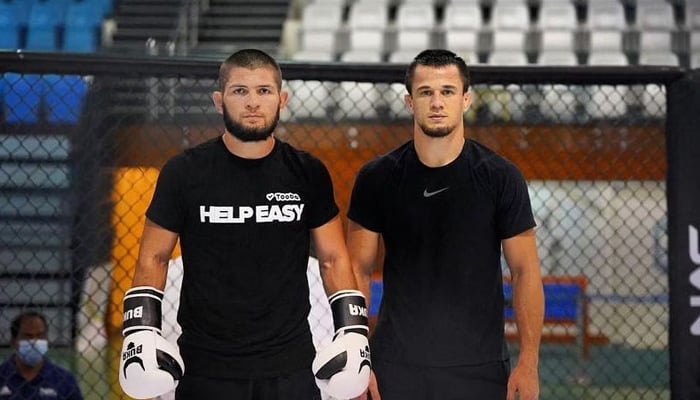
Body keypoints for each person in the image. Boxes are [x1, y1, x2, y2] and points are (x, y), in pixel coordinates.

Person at [117, 49, 370, 400]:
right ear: (219, 101)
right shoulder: (183, 172)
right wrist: (140, 330)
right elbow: (154, 257)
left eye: (264, 91)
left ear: (282, 99)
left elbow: (333, 258)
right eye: (240, 91)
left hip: (290, 364)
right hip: (206, 365)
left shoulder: (307, 172)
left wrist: (353, 331)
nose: (253, 102)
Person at [346, 49, 545, 400]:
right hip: (396, 366)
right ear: (410, 102)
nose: (437, 102)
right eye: (426, 92)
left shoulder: (501, 177)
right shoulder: (377, 178)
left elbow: (525, 271)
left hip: (480, 368)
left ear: (466, 99)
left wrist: (529, 363)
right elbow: (356, 272)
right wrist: (358, 360)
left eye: (448, 92)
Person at [0, 311, 84, 399]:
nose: (34, 342)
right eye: (27, 336)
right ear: (13, 341)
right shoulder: (2, 375)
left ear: (47, 339)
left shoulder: (65, 380)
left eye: (40, 336)